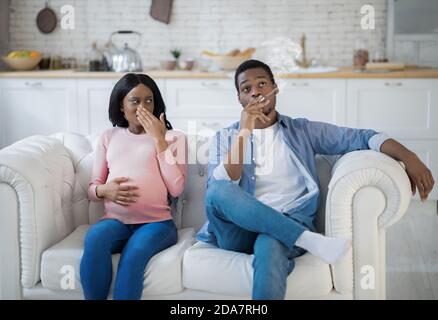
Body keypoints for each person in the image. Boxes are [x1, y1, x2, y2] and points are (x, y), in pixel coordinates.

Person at [197, 59, 435, 300]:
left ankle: (292, 234)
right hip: (238, 230)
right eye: (246, 89)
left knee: (270, 247)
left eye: (262, 84)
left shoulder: (302, 131)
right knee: (218, 191)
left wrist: (409, 156)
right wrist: (244, 132)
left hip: (285, 222)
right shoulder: (225, 137)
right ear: (239, 99)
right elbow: (223, 185)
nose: (256, 92)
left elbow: (362, 137)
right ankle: (307, 239)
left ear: (274, 88)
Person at [80, 73, 187, 300]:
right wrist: (104, 190)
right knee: (94, 239)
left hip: (157, 224)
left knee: (134, 253)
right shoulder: (108, 137)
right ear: (121, 105)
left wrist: (159, 141)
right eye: (135, 101)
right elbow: (93, 188)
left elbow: (177, 189)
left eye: (149, 100)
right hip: (115, 222)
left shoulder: (174, 138)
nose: (143, 107)